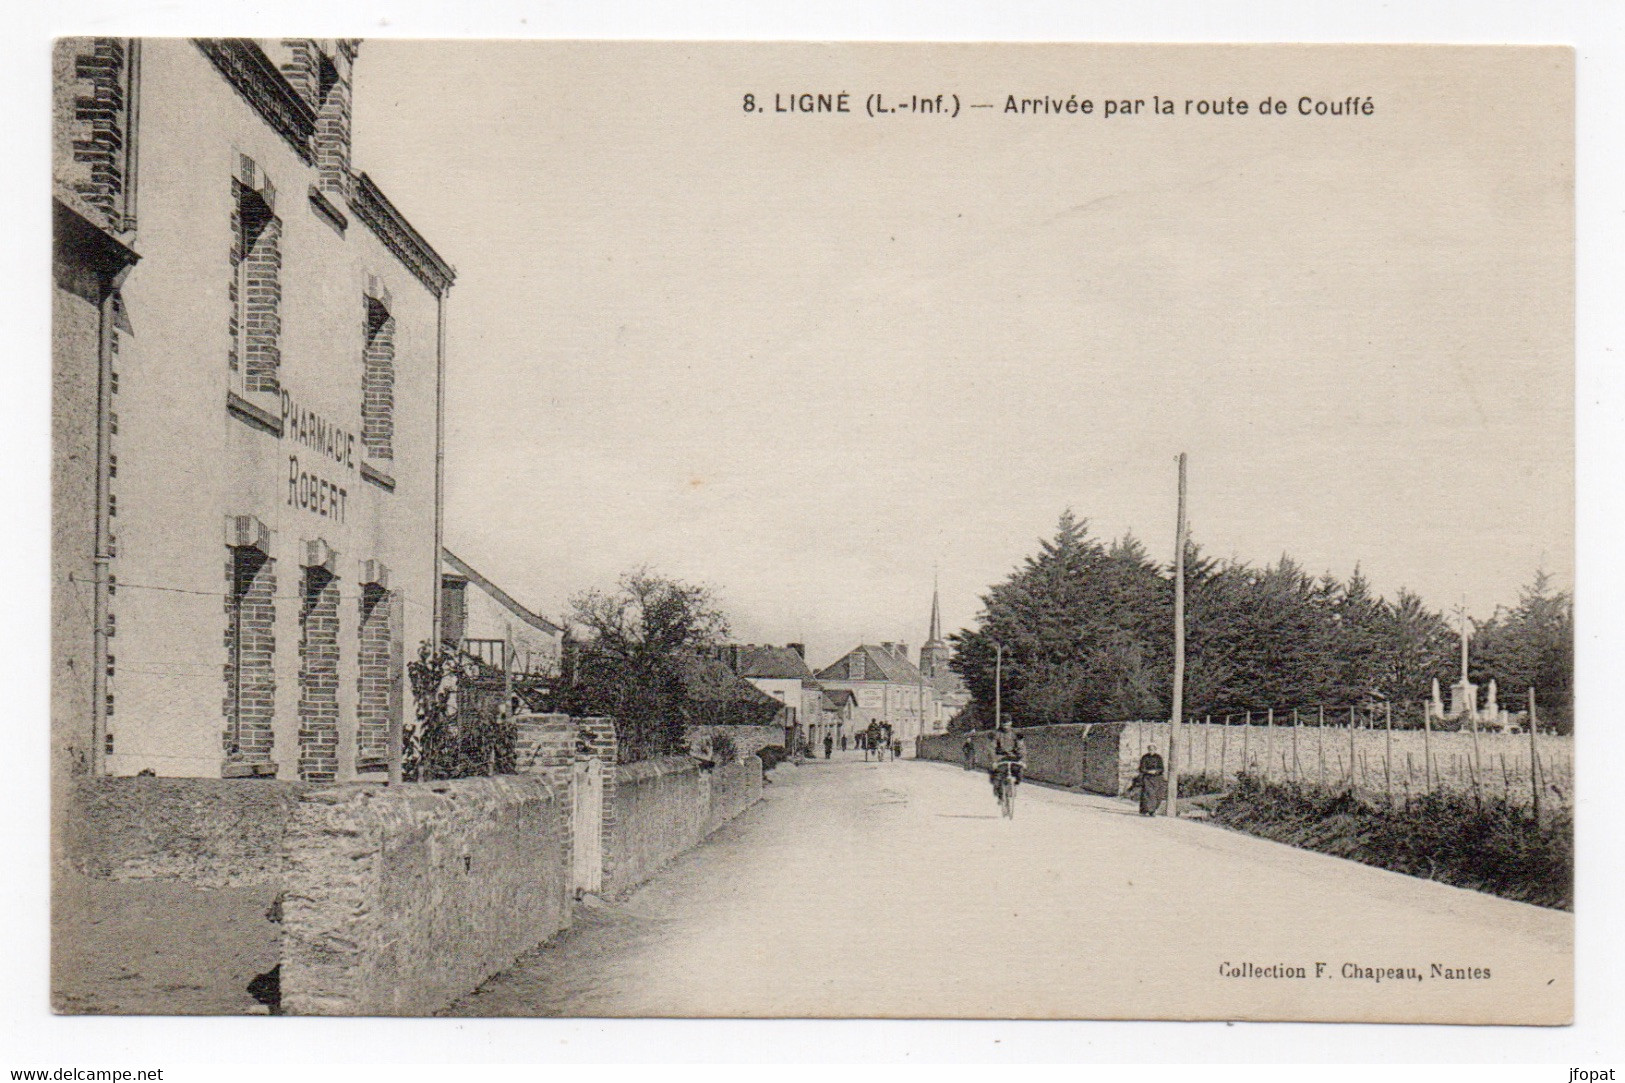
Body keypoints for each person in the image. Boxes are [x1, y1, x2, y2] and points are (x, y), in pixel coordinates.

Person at [990, 720, 1025, 791]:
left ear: (1011, 723)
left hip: (1013, 757)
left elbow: (1021, 748)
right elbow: (992, 748)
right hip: (1000, 758)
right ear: (1001, 724)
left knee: (1019, 772)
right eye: (1004, 724)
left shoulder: (1016, 733)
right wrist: (994, 761)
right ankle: (1000, 795)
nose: (1006, 726)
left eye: (1007, 724)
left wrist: (1022, 760)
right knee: (998, 776)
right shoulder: (997, 734)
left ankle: (1013, 786)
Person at [1133, 744, 1167, 816]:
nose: (1151, 751)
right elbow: (1141, 768)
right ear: (1148, 750)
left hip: (1157, 778)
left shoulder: (1158, 757)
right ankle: (1148, 810)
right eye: (1150, 749)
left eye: (1153, 749)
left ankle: (1153, 809)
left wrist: (1156, 771)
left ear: (1155, 750)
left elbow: (1162, 768)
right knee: (1148, 794)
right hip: (1147, 778)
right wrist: (1148, 771)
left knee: (1157, 794)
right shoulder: (1145, 757)